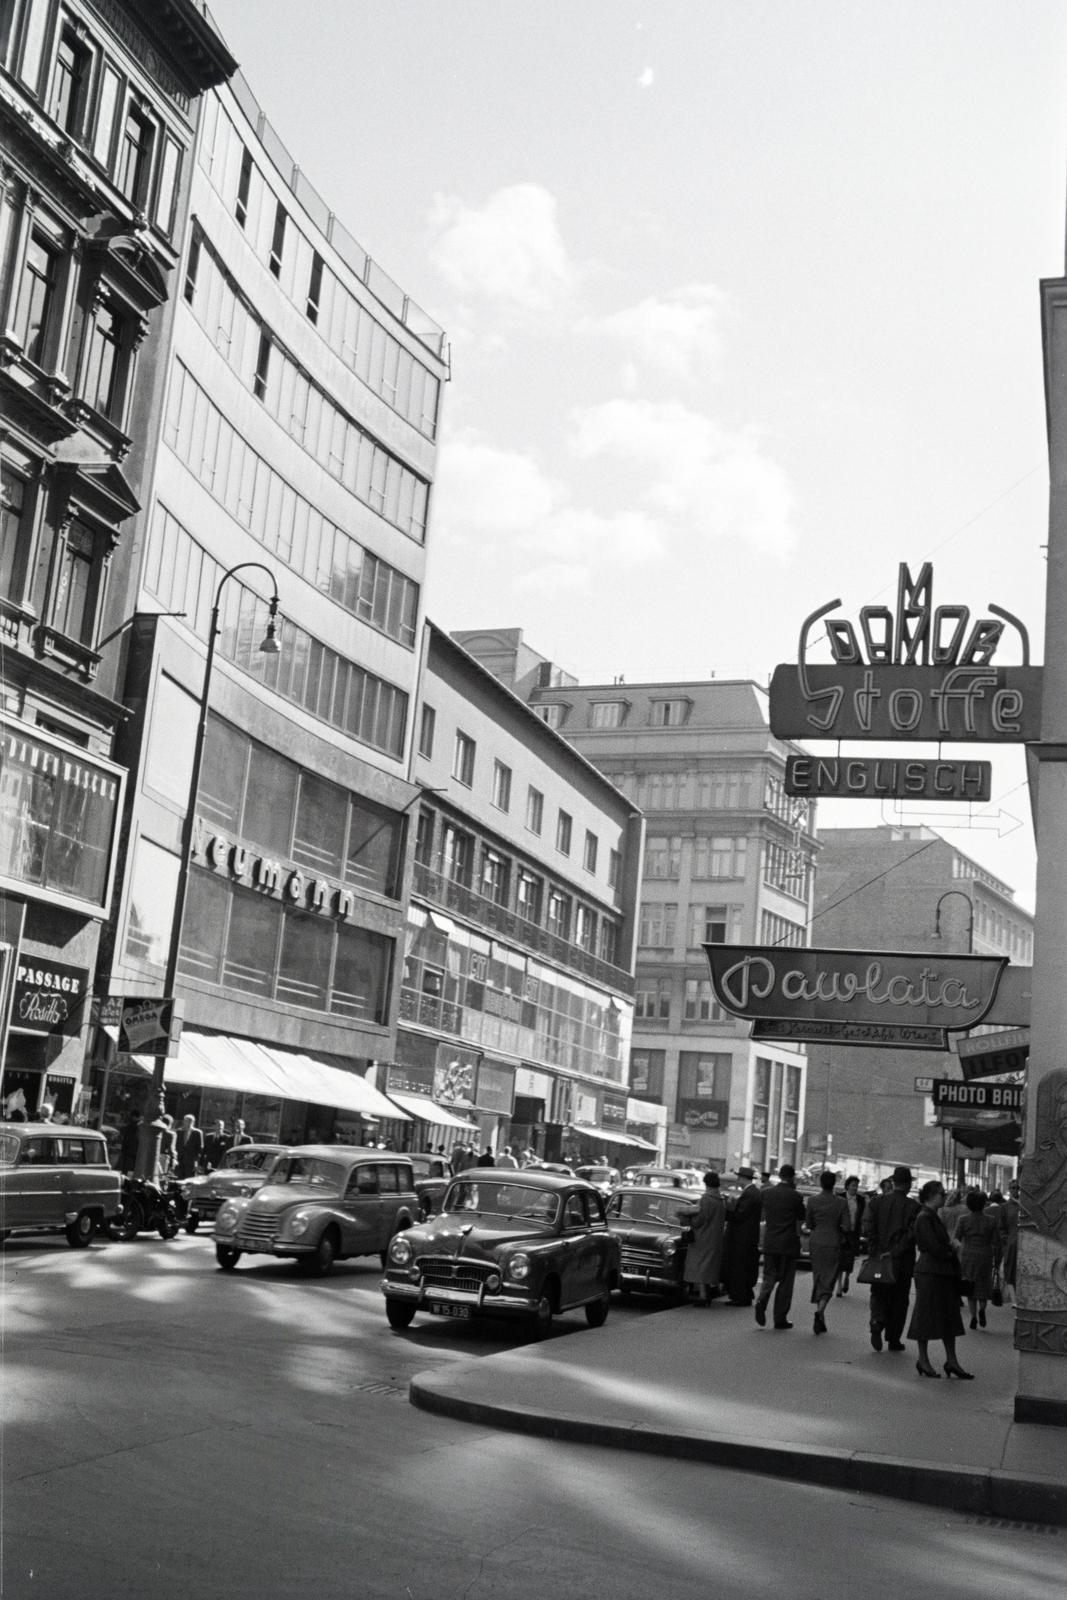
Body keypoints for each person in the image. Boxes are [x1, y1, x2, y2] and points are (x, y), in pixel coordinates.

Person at [908, 1179, 971, 1379]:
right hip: (931, 1272)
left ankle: (949, 1360)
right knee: (926, 1315)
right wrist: (951, 1249)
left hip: (938, 1272)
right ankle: (925, 1359)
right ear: (933, 1195)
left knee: (948, 1316)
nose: (945, 1196)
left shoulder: (930, 1216)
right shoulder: (925, 1217)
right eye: (942, 1193)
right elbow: (933, 1247)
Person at [864, 1165, 920, 1353]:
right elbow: (911, 1235)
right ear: (908, 1185)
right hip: (902, 1261)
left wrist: (875, 1251)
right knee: (899, 1299)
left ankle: (877, 1321)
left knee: (878, 1293)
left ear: (893, 1182)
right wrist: (895, 1252)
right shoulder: (913, 1207)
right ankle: (893, 1339)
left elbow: (869, 1230)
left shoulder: (876, 1203)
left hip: (879, 1258)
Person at [754, 1163, 806, 1330]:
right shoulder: (796, 1197)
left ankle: (762, 1299)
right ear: (792, 1178)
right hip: (788, 1244)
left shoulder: (766, 1193)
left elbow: (762, 1216)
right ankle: (780, 1318)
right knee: (785, 1282)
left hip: (771, 1242)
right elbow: (800, 1224)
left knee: (769, 1275)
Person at [806, 1170, 849, 1334]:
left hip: (816, 1242)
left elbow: (809, 1224)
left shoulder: (812, 1200)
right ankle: (820, 1312)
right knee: (829, 1279)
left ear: (820, 1183)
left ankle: (821, 1318)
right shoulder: (841, 1202)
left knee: (818, 1277)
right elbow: (847, 1226)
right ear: (834, 1184)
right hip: (833, 1242)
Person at [953, 1189, 999, 1330]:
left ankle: (973, 1316)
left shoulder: (963, 1219)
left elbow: (956, 1238)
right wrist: (997, 1260)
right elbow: (996, 1242)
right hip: (985, 1255)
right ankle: (982, 1309)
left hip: (968, 1255)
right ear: (984, 1204)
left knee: (970, 1287)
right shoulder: (991, 1220)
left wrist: (958, 1252)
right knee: (983, 1286)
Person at [683, 1172, 727, 1305]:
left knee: (699, 1266)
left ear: (706, 1183)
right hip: (716, 1238)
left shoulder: (706, 1199)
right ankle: (708, 1293)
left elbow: (699, 1220)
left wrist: (688, 1218)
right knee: (709, 1267)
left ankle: (703, 1296)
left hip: (702, 1237)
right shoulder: (721, 1199)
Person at [721, 1167, 762, 1305]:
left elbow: (740, 1215)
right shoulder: (753, 1192)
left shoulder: (750, 1194)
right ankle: (744, 1294)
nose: (738, 1180)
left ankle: (740, 1297)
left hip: (742, 1237)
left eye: (739, 1177)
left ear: (744, 1178)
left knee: (739, 1267)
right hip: (748, 1236)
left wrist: (728, 1208)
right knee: (745, 1266)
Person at [836, 1173, 866, 1296]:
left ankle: (847, 1277)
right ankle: (838, 1285)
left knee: (849, 1260)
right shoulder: (840, 1198)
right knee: (839, 1259)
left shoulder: (860, 1200)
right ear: (847, 1186)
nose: (855, 1188)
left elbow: (863, 1216)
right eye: (853, 1185)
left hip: (854, 1233)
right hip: (842, 1233)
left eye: (857, 1186)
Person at [1000, 1179, 1021, 1303]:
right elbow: (1001, 1227)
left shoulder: (1025, 1205)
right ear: (1009, 1189)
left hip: (1025, 1244)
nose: (1015, 1190)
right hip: (1011, 1244)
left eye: (1017, 1187)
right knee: (1010, 1271)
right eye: (1012, 1188)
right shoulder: (1005, 1207)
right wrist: (1006, 1239)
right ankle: (1014, 1300)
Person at [174, 1113, 204, 1179]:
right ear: (184, 1121)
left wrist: (196, 1161)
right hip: (179, 1160)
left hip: (191, 1161)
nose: (188, 1122)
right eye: (187, 1120)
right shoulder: (179, 1131)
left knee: (189, 1178)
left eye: (190, 1121)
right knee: (179, 1178)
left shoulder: (197, 1133)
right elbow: (175, 1145)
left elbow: (200, 1148)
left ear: (193, 1122)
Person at [119, 1109, 143, 1174]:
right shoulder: (140, 1125)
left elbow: (127, 1137)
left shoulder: (133, 1125)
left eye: (131, 1116)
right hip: (135, 1149)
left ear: (134, 1116)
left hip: (129, 1148)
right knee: (135, 1166)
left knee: (125, 1166)